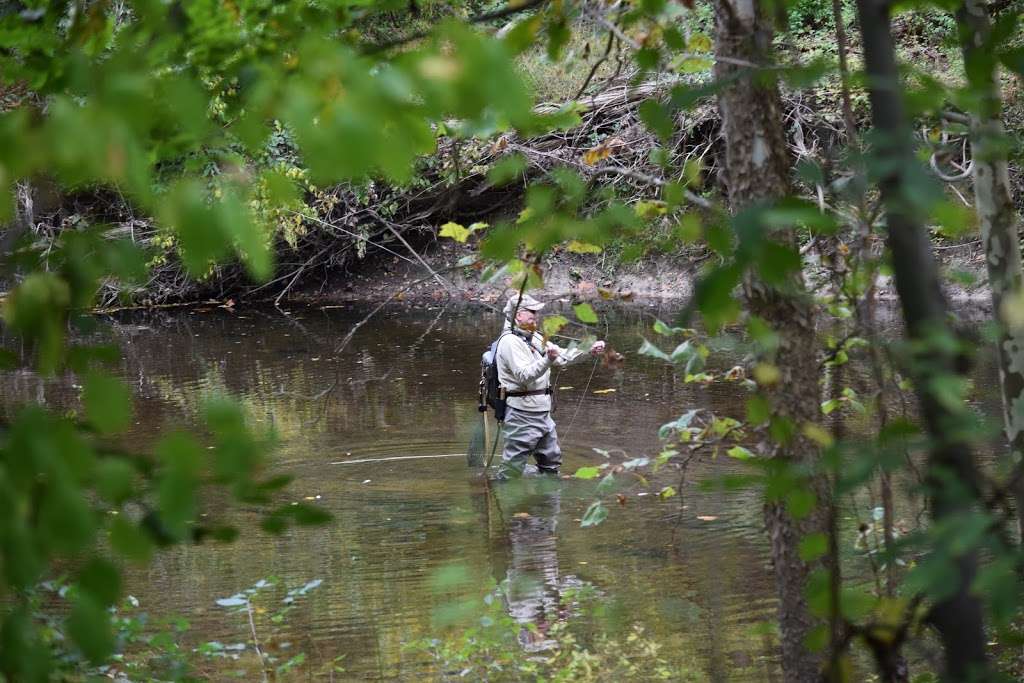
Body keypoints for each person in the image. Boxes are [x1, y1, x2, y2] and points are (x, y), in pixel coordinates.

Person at [493, 294, 605, 479]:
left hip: (542, 413)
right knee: (510, 473)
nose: (536, 316)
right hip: (522, 414)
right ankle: (501, 499)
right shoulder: (509, 342)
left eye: (537, 313)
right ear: (518, 315)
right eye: (532, 312)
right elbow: (524, 376)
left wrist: (588, 350)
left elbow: (562, 356)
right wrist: (547, 360)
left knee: (551, 464)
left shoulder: (533, 336)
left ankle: (546, 503)